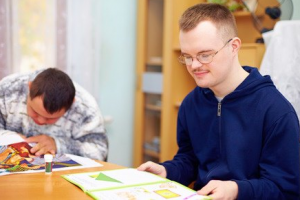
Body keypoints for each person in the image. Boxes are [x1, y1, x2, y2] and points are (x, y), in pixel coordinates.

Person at [137, 3, 300, 200]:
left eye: (204, 55)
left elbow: (285, 189)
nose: (195, 65)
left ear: (234, 47)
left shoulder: (276, 111)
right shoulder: (191, 103)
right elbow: (190, 160)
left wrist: (237, 190)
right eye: (187, 57)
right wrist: (167, 171)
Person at [0, 68, 108, 161]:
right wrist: (9, 138)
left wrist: (59, 145)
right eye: (35, 112)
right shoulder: (8, 89)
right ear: (29, 88)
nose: (41, 121)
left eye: (50, 118)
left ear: (71, 104)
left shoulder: (85, 107)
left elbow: (100, 151)